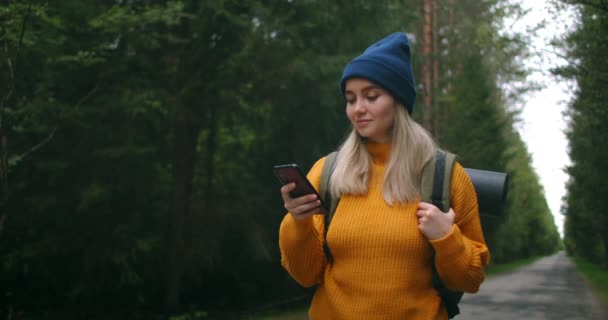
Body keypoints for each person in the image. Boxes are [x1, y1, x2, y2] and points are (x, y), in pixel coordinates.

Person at [278, 32, 490, 320]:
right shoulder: (328, 172)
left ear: (399, 100)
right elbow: (305, 275)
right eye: (351, 99)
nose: (358, 109)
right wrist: (299, 223)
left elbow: (470, 279)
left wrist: (446, 238)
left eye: (371, 96)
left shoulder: (445, 175)